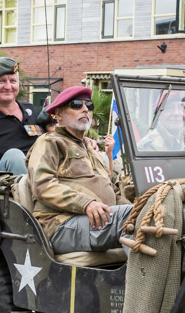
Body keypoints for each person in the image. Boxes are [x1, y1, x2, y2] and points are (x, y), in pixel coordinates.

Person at [27, 85, 132, 255]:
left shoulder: (91, 149)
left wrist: (139, 209)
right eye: (76, 105)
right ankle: (143, 273)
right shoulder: (50, 142)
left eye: (89, 106)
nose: (85, 109)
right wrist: (85, 203)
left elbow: (113, 193)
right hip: (61, 224)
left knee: (146, 214)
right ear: (58, 114)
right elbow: (42, 185)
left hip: (98, 220)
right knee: (131, 216)